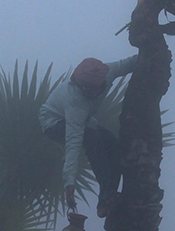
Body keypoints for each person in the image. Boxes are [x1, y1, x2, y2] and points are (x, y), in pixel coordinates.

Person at [39, 55, 138, 218]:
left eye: (91, 89)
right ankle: (108, 195)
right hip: (53, 122)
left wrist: (150, 50)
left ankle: (104, 200)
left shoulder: (107, 72)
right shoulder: (75, 100)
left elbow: (127, 64)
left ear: (101, 82)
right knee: (93, 139)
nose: (87, 92)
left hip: (86, 121)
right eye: (83, 88)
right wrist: (69, 182)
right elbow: (73, 142)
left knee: (115, 147)